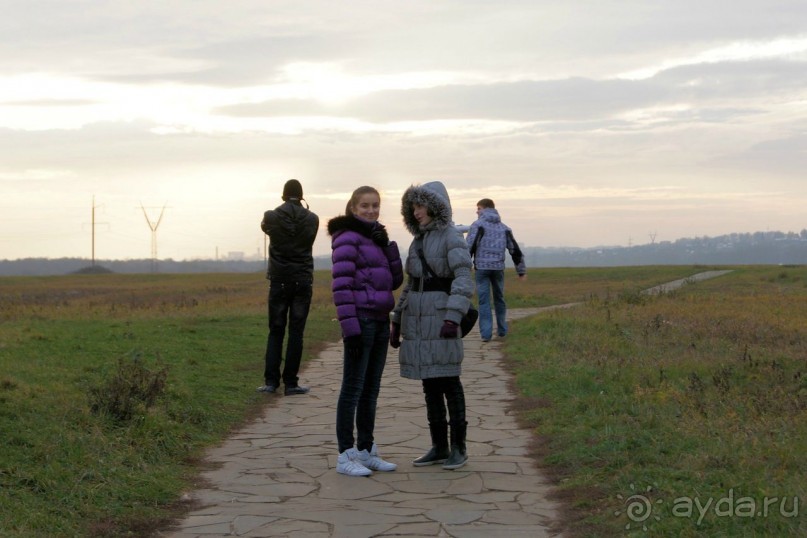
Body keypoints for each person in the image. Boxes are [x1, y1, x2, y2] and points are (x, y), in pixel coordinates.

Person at [390, 181, 474, 470]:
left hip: (441, 318)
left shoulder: (452, 237)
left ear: (436, 207)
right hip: (418, 319)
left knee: (449, 381)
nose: (416, 212)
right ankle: (439, 446)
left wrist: (453, 316)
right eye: (412, 206)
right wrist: (397, 319)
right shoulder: (418, 242)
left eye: (421, 205)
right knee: (429, 384)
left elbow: (463, 279)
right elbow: (411, 284)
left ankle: (458, 448)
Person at [328, 186, 404, 476]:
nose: (371, 211)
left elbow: (394, 281)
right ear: (353, 208)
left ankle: (366, 449)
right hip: (360, 320)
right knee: (352, 389)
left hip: (380, 319)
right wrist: (351, 329)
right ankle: (345, 454)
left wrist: (388, 246)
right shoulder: (347, 238)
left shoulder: (376, 238)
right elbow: (341, 286)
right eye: (365, 206)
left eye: (375, 206)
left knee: (371, 390)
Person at [257, 179, 319, 396]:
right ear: (301, 196)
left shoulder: (271, 216)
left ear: (283, 195)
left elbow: (267, 229)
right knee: (296, 332)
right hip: (302, 279)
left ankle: (271, 382)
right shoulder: (313, 219)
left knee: (275, 331)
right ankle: (291, 383)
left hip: (279, 279)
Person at [465, 198, 526, 343]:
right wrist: (521, 271)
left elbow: (469, 247)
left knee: (484, 301)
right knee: (499, 299)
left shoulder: (477, 225)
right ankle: (502, 330)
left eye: (478, 208)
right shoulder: (504, 228)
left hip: (482, 269)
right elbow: (514, 250)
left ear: (484, 209)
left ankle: (486, 334)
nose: (476, 211)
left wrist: (466, 265)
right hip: (498, 268)